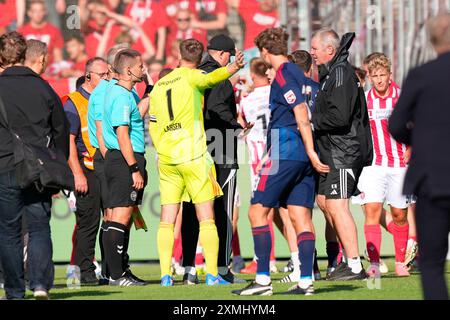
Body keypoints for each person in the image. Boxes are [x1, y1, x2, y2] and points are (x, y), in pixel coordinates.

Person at [233, 28, 329, 296]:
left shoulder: (285, 73)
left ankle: (263, 280)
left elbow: (300, 111)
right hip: (301, 156)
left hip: (287, 152)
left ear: (264, 52)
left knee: (256, 212)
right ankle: (306, 281)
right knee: (300, 216)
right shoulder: (304, 76)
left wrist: (309, 150)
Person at [149, 38, 246, 287]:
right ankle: (214, 274)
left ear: (177, 54)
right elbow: (210, 80)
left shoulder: (159, 85)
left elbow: (153, 123)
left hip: (168, 158)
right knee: (207, 217)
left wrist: (160, 151)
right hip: (193, 154)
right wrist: (234, 67)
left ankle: (166, 276)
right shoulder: (191, 76)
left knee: (168, 219)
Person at [0, 31, 70, 300]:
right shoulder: (44, 87)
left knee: (9, 232)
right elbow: (61, 129)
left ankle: (15, 291)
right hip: (39, 168)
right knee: (40, 227)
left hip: (5, 165)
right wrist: (57, 164)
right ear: (24, 55)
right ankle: (40, 285)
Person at [389, 13, 450, 300]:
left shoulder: (421, 75)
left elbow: (396, 125)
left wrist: (422, 141)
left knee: (432, 263)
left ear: (431, 39)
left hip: (432, 181)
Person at [180, 35, 250, 285]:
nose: (229, 61)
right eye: (229, 56)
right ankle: (221, 268)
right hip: (220, 149)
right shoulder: (218, 76)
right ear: (222, 54)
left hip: (195, 150)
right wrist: (237, 125)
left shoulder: (192, 75)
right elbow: (217, 108)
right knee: (223, 210)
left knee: (190, 210)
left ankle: (188, 268)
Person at [310, 28, 372, 281]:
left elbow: (340, 116)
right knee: (325, 202)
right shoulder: (331, 74)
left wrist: (310, 120)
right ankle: (341, 260)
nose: (311, 52)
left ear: (330, 50)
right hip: (332, 151)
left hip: (344, 151)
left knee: (337, 204)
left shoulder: (339, 73)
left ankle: (355, 265)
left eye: (315, 48)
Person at [355, 53, 411, 278]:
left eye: (382, 75)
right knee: (372, 210)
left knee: (399, 214)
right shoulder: (364, 99)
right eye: (374, 75)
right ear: (369, 76)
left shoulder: (402, 97)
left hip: (399, 163)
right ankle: (375, 265)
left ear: (390, 75)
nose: (378, 80)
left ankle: (400, 262)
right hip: (373, 165)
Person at [102, 49, 148, 286]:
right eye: (140, 66)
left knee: (118, 218)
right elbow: (122, 135)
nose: (144, 69)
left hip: (120, 160)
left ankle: (118, 272)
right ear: (129, 70)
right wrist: (133, 168)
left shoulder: (126, 93)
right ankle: (116, 275)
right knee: (120, 218)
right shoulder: (121, 96)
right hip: (124, 160)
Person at [63, 57, 109, 285]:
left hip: (108, 167)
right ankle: (86, 271)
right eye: (103, 75)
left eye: (109, 74)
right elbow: (68, 142)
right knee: (88, 222)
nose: (107, 78)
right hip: (86, 167)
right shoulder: (72, 102)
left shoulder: (107, 97)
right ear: (89, 76)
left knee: (112, 221)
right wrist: (78, 174)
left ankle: (112, 270)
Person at [18, 0, 64, 65]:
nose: (38, 14)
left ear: (45, 12)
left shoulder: (54, 30)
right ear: (29, 13)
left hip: (49, 69)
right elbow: (19, 56)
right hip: (28, 70)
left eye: (40, 11)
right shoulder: (22, 31)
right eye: (35, 11)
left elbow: (58, 58)